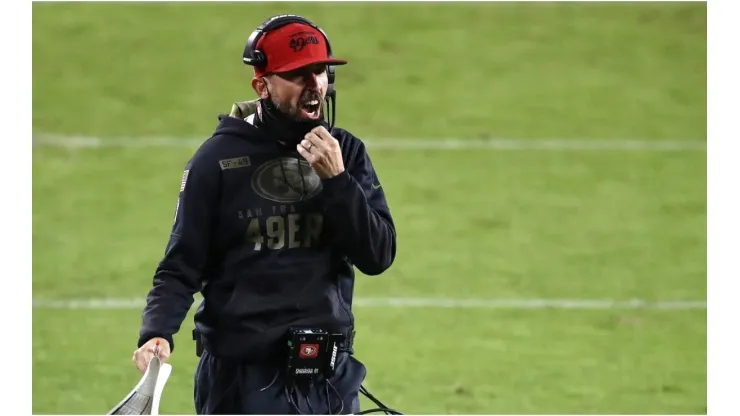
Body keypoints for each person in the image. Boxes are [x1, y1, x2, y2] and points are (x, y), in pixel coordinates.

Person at [131, 14, 397, 415]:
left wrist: (337, 181)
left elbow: (378, 256)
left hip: (327, 377)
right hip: (242, 380)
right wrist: (157, 332)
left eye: (320, 70)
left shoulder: (345, 153)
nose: (315, 84)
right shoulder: (217, 161)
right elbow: (181, 264)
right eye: (297, 74)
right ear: (262, 85)